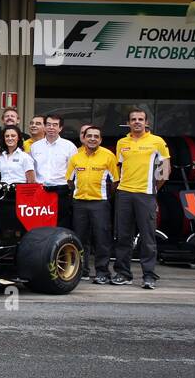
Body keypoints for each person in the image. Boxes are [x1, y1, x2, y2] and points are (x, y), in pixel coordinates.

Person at [112, 108, 170, 289]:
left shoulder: (157, 141)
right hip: (124, 194)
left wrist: (153, 190)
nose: (137, 122)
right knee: (123, 236)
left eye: (140, 119)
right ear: (128, 123)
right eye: (133, 119)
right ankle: (123, 273)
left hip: (146, 195)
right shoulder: (122, 142)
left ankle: (149, 275)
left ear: (146, 123)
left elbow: (165, 170)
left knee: (147, 236)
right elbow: (118, 168)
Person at [65, 125, 118, 285]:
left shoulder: (108, 156)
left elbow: (115, 181)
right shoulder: (76, 157)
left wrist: (104, 197)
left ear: (100, 139)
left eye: (96, 136)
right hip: (79, 203)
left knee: (102, 239)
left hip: (100, 204)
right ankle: (82, 271)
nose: (93, 139)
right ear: (84, 138)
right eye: (90, 136)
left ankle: (102, 272)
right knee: (80, 239)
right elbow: (69, 180)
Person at [29, 113, 76, 226]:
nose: (51, 128)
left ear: (60, 128)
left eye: (55, 125)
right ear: (44, 127)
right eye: (48, 124)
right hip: (41, 190)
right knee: (40, 222)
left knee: (61, 223)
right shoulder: (35, 146)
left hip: (61, 190)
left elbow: (74, 171)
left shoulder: (69, 146)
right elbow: (32, 169)